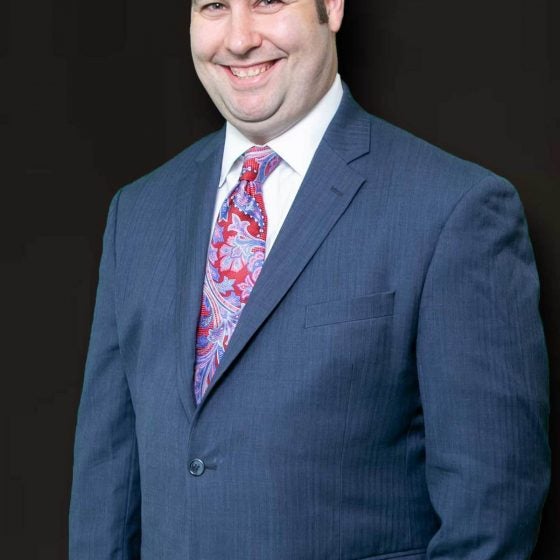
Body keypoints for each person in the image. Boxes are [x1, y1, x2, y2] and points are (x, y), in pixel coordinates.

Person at [69, 1, 550, 558]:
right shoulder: (138, 212)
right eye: (215, 6)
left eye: (268, 1)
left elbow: (491, 513)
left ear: (333, 6)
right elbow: (106, 486)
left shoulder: (455, 210)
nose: (239, 39)